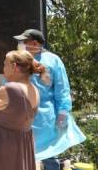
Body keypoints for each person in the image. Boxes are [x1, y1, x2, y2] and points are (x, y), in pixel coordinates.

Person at [14, 29, 86, 170]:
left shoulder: (53, 60)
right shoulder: (20, 60)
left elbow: (62, 89)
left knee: (48, 153)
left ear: (34, 43)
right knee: (24, 154)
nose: (20, 44)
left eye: (23, 41)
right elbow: (8, 84)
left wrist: (63, 112)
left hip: (44, 119)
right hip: (22, 117)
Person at [0, 50, 47, 170]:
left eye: (5, 64)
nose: (3, 69)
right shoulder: (34, 89)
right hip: (22, 145)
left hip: (3, 145)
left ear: (14, 67)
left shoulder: (10, 89)